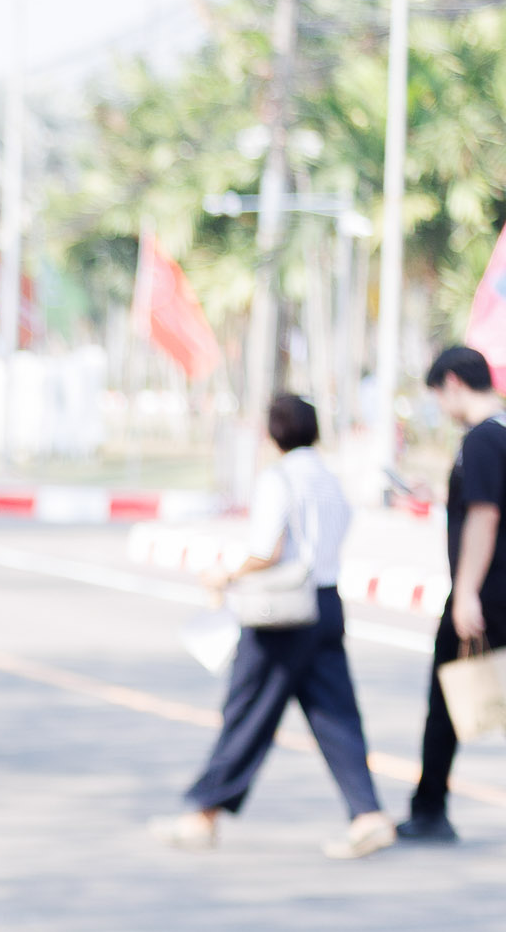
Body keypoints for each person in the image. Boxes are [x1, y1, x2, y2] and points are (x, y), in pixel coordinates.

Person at [152, 395, 390, 857]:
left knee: (248, 709)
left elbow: (267, 550)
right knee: (335, 712)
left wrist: (225, 575)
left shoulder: (278, 478)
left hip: (283, 611)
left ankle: (203, 815)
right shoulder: (328, 478)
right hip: (326, 601)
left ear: (273, 433)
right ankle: (368, 815)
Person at [403, 346, 506, 843]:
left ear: (453, 383)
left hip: (487, 593)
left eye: (438, 396)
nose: (441, 408)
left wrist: (465, 593)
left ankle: (429, 810)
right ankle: (428, 807)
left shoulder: (482, 438)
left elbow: (485, 517)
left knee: (444, 701)